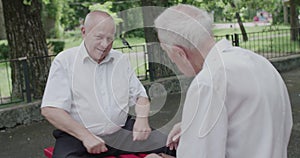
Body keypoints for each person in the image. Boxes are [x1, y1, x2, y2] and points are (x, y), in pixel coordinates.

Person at [146, 4, 293, 158]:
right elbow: (254, 122)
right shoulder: (259, 62)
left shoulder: (208, 82)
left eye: (167, 52)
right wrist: (191, 126)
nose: (172, 61)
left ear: (180, 53)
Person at [41, 10, 169, 157]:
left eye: (110, 39)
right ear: (84, 31)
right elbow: (50, 110)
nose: (105, 44)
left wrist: (141, 119)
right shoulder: (65, 61)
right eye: (99, 37)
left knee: (172, 144)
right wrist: (85, 136)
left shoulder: (121, 60)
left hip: (122, 132)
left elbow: (141, 96)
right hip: (78, 138)